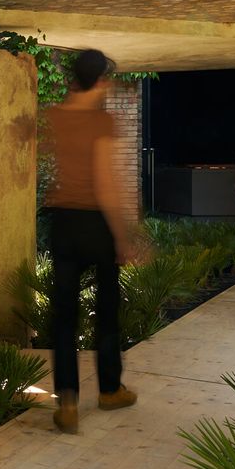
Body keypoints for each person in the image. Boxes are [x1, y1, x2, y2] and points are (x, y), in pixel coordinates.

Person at [39, 49, 140, 435]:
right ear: (99, 81)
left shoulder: (55, 117)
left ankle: (67, 400)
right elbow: (106, 185)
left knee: (63, 317)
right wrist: (122, 235)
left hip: (62, 223)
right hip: (94, 223)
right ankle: (110, 390)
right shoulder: (101, 121)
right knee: (107, 311)